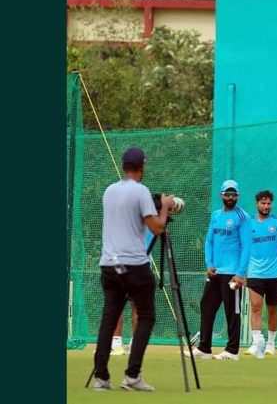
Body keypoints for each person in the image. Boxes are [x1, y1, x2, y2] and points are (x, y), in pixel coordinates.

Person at [92, 147, 174, 392]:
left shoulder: (109, 191)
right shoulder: (141, 191)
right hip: (135, 265)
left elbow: (127, 220)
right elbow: (157, 227)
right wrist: (166, 206)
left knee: (109, 318)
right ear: (142, 168)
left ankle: (101, 377)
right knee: (147, 317)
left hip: (109, 264)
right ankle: (132, 375)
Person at [185, 179, 252, 361]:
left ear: (237, 196)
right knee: (207, 306)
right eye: (227, 194)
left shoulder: (243, 217)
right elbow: (209, 241)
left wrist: (240, 274)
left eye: (233, 194)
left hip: (232, 273)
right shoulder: (216, 215)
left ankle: (232, 351)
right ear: (221, 195)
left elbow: (247, 246)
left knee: (232, 311)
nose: (230, 197)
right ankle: (204, 348)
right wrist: (209, 264)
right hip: (215, 272)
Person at [243, 190, 277, 356]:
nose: (265, 206)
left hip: (275, 274)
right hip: (255, 272)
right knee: (256, 307)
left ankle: (271, 344)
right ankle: (257, 343)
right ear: (257, 203)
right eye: (262, 203)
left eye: (268, 203)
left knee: (272, 309)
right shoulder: (248, 223)